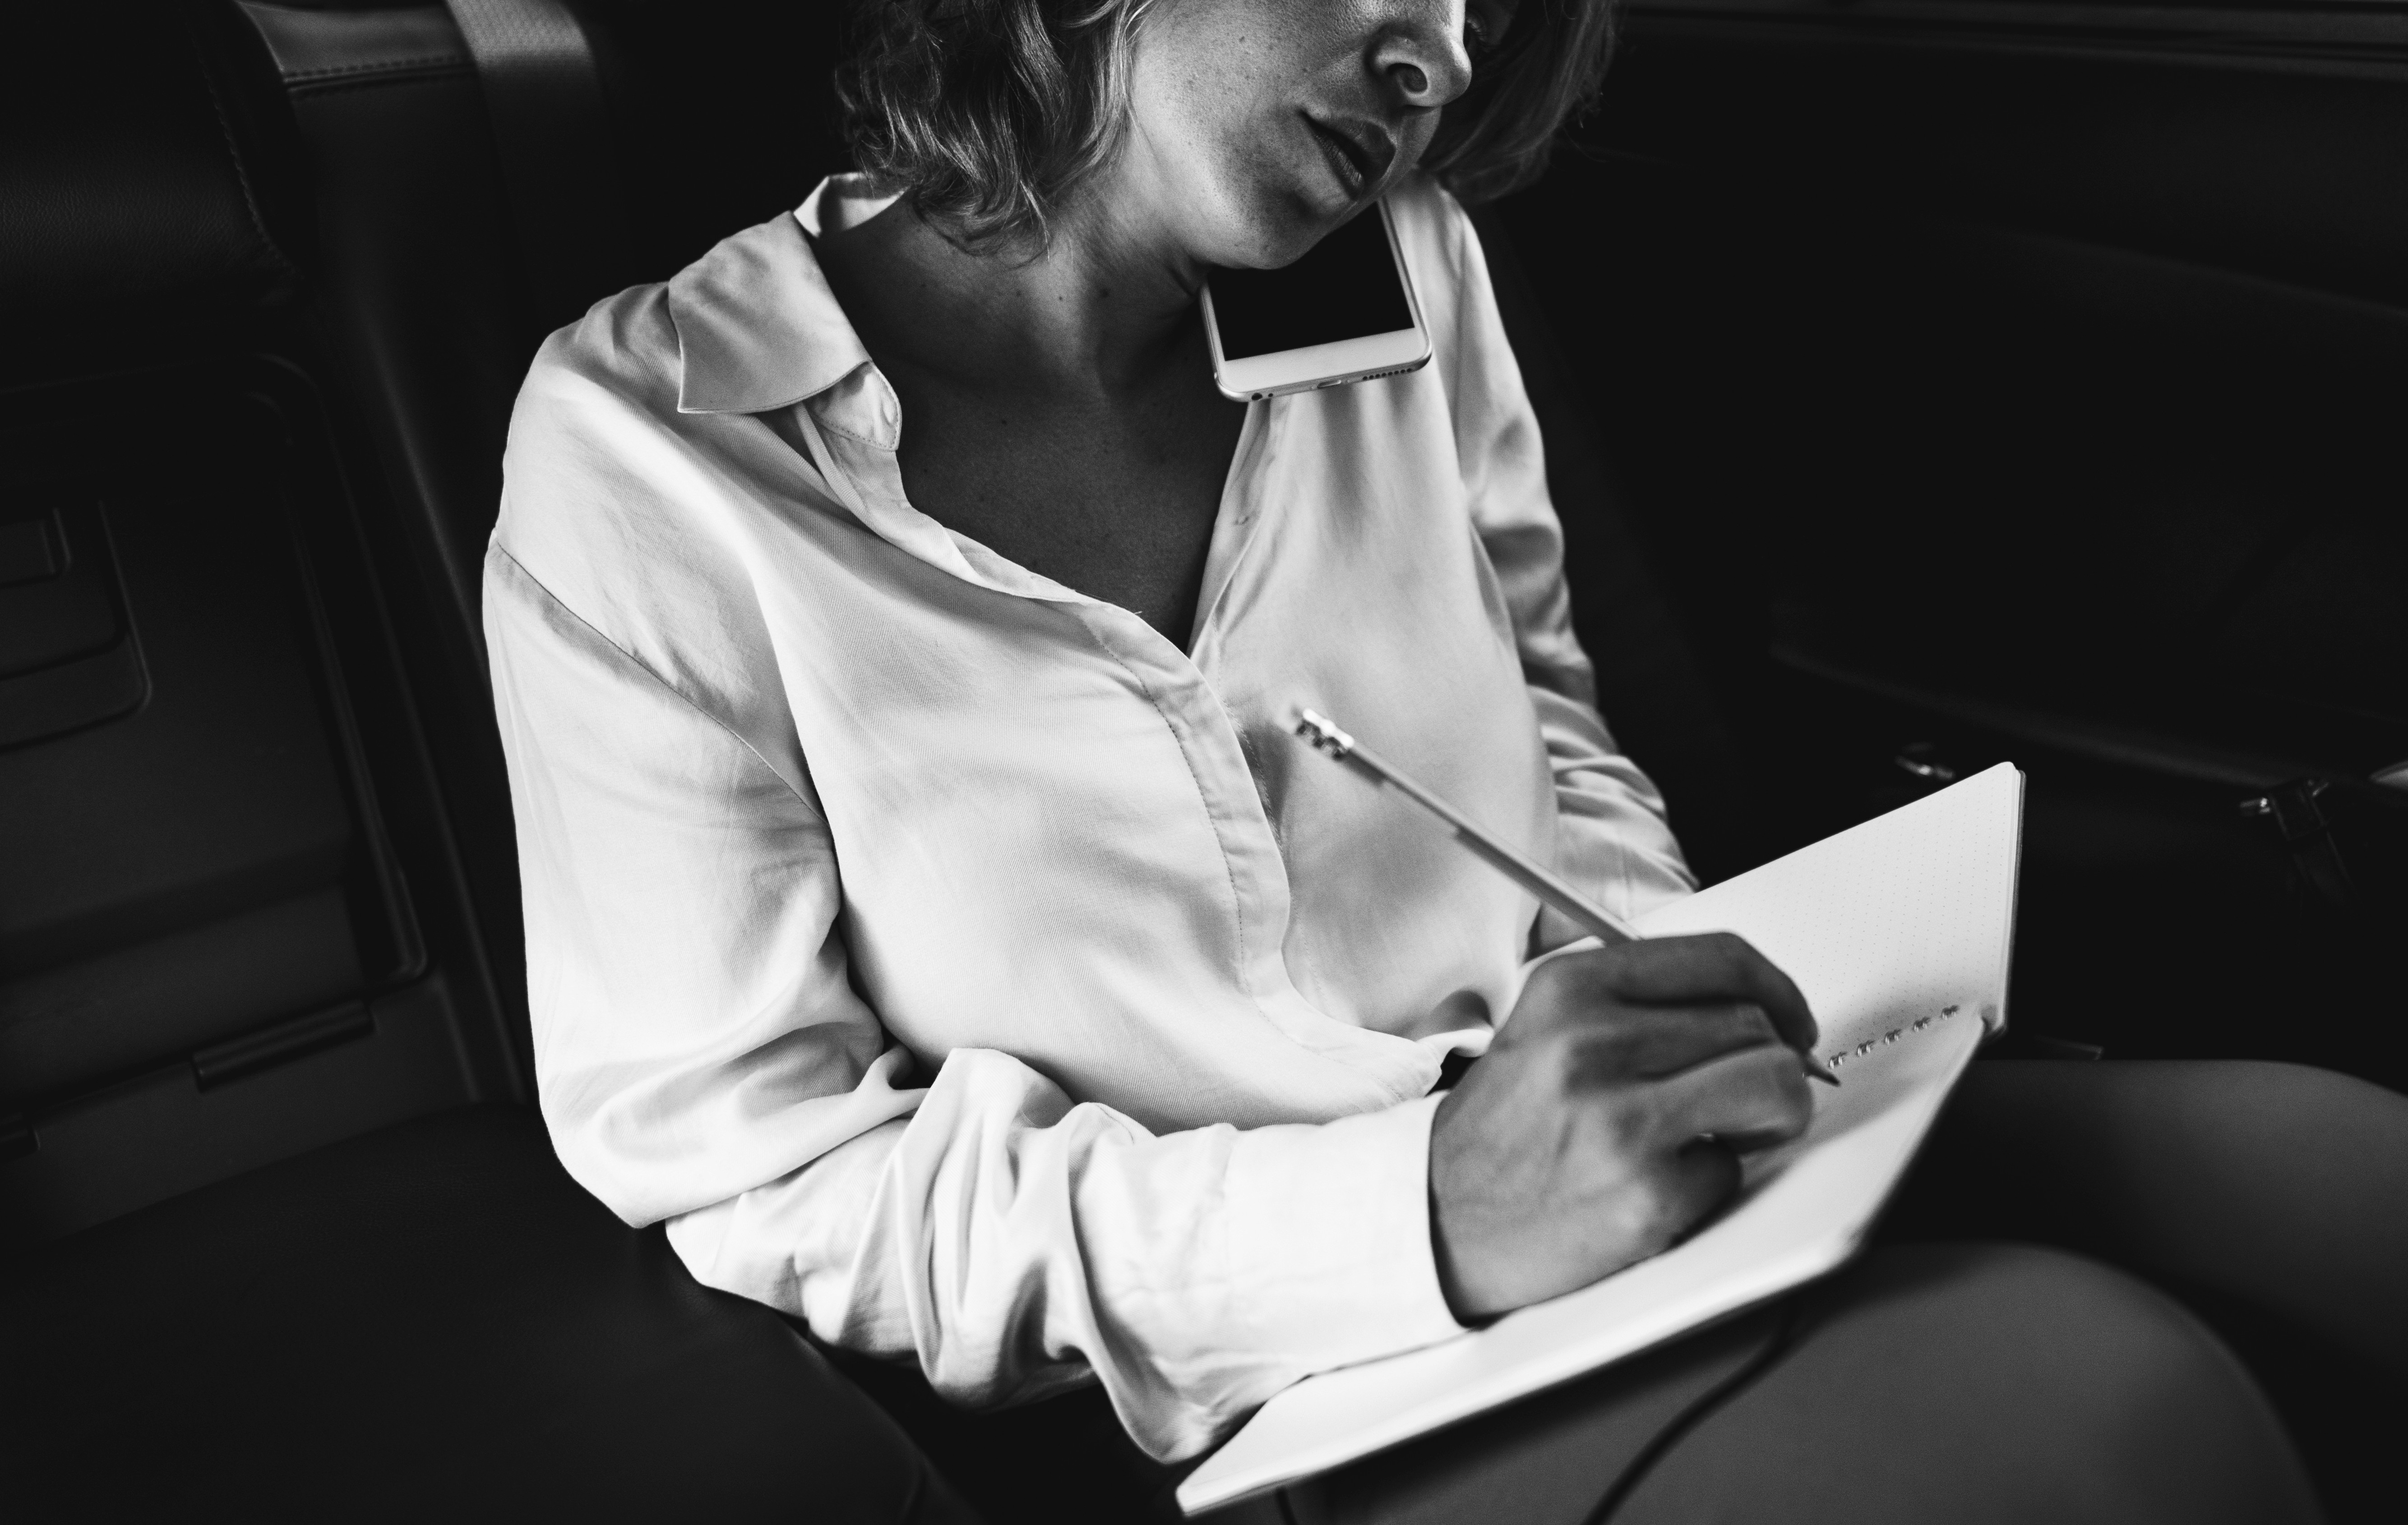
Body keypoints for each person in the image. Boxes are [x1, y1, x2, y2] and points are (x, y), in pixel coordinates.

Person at [483, 0, 2406, 1519]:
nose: (1450, 52)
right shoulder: (656, 449)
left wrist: (1644, 979)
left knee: (2354, 1188)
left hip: (1652, 1135)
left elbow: (1552, 726)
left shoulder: (1409, 275)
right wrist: (1420, 1212)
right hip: (1288, 1366)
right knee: (2113, 1428)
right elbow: (761, 1177)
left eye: (1489, 1)